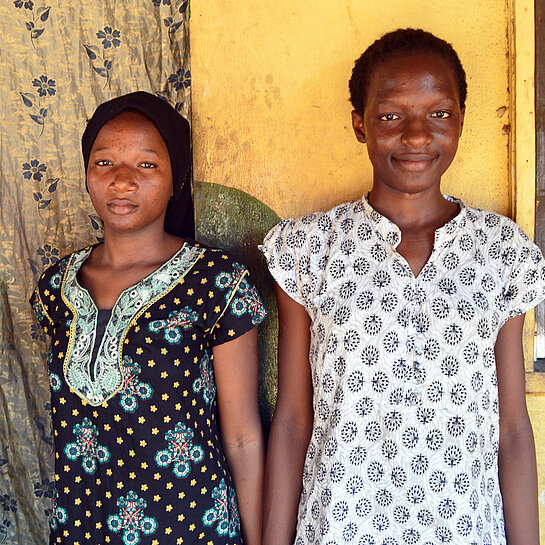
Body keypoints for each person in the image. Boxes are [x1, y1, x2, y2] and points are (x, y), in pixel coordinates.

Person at [260, 29, 545, 545]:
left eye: (439, 113)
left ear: (461, 121)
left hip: (464, 530)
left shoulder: (501, 251)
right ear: (359, 124)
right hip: (339, 526)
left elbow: (513, 431)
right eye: (391, 115)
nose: (416, 135)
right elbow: (292, 424)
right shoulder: (309, 250)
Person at [30, 91, 266, 545]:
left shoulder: (217, 282)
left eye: (146, 165)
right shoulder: (55, 287)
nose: (122, 181)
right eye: (104, 163)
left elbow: (242, 437)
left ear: (176, 179)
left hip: (193, 528)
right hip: (83, 529)